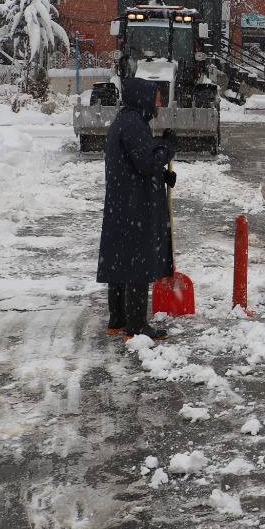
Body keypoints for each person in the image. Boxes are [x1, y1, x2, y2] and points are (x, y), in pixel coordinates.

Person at [97, 77, 177, 340]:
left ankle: (118, 319)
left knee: (121, 260)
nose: (159, 102)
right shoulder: (134, 125)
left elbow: (134, 166)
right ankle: (136, 326)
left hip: (124, 203)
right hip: (134, 207)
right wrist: (167, 147)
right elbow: (145, 163)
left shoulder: (125, 122)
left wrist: (162, 177)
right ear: (143, 98)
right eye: (156, 97)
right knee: (137, 263)